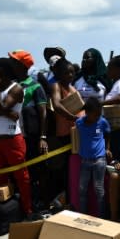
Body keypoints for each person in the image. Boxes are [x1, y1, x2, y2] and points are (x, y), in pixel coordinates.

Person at [0, 57, 33, 218]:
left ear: (2, 71)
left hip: (12, 140)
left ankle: (28, 210)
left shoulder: (16, 88)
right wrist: (7, 113)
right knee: (1, 178)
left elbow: (1, 106)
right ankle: (8, 212)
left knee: (21, 177)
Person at [9, 50, 49, 210]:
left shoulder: (35, 86)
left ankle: (42, 202)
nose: (10, 63)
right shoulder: (11, 85)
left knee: (38, 171)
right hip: (16, 137)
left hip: (32, 137)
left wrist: (43, 137)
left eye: (13, 61)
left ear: (21, 65)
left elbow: (43, 113)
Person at [50, 57, 81, 204]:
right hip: (64, 135)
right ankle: (64, 200)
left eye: (72, 73)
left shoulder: (73, 88)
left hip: (76, 134)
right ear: (59, 74)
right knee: (64, 171)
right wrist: (71, 117)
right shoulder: (56, 86)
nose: (70, 75)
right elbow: (56, 105)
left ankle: (72, 198)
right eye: (66, 73)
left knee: (74, 170)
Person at [76, 97, 112, 218]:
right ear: (87, 113)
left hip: (99, 160)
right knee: (82, 189)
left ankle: (102, 217)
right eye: (95, 114)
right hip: (85, 160)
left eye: (99, 114)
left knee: (99, 189)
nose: (98, 116)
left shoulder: (102, 122)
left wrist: (107, 148)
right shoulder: (79, 123)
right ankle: (83, 216)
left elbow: (108, 135)